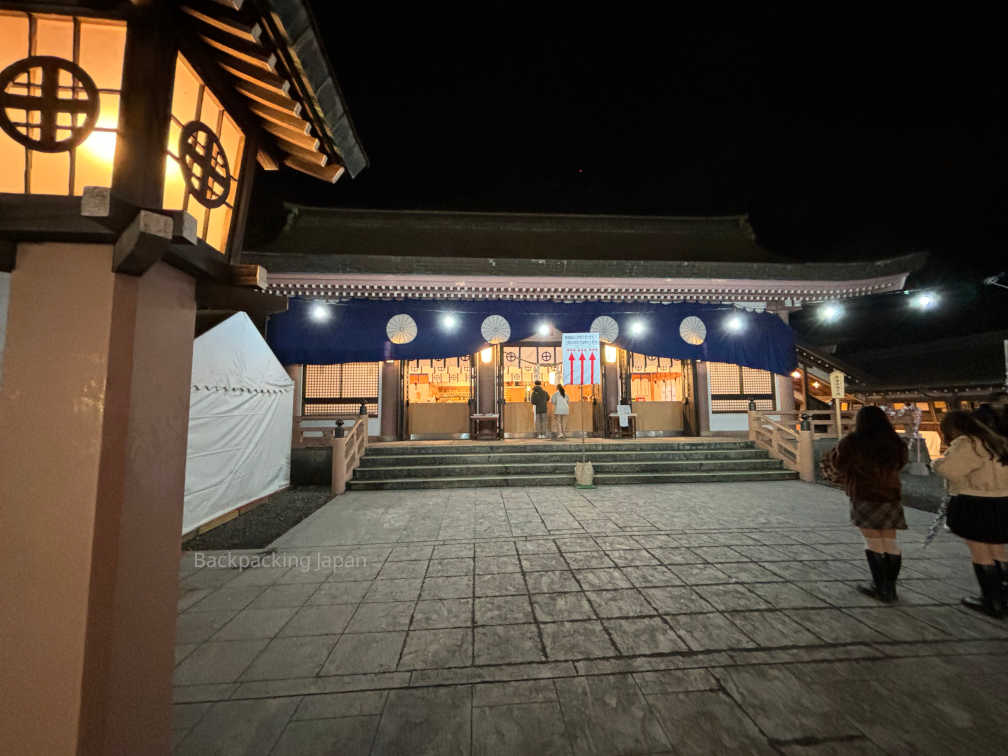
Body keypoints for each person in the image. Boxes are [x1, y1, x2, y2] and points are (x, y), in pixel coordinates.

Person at [823, 405, 909, 602]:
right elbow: (901, 463)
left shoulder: (852, 442)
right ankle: (891, 587)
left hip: (864, 494)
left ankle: (879, 587)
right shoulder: (895, 442)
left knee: (873, 541)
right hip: (890, 494)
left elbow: (839, 464)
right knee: (890, 541)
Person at [932, 410, 1008, 618]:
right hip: (1003, 500)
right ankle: (1003, 597)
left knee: (981, 551)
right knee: (998, 550)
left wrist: (936, 463)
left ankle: (991, 601)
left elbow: (951, 470)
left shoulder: (970, 444)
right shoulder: (998, 442)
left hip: (976, 501)